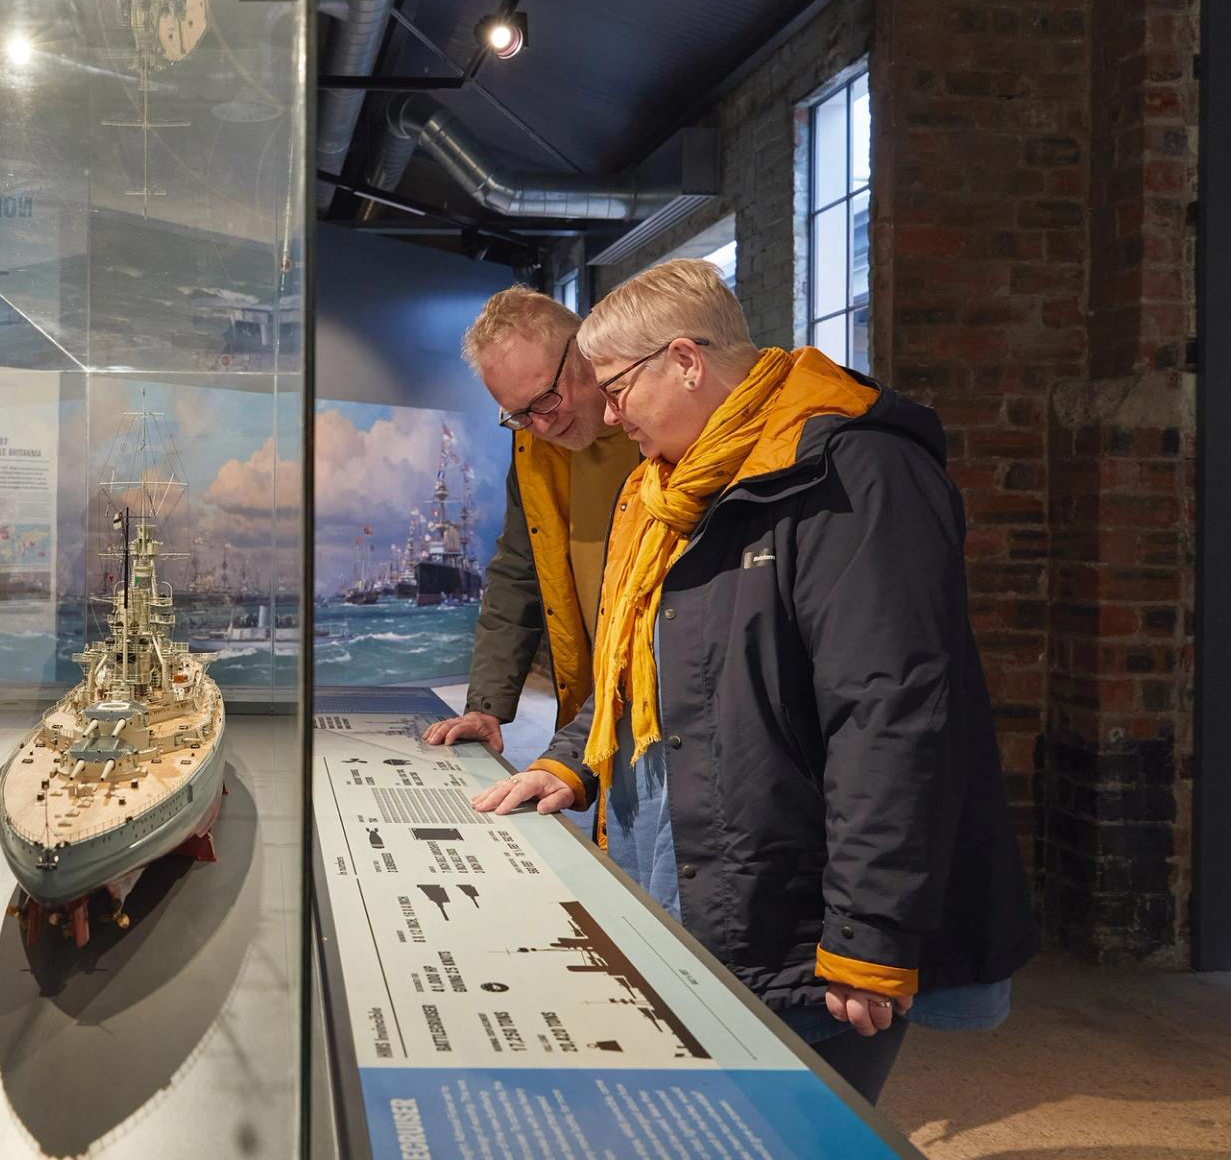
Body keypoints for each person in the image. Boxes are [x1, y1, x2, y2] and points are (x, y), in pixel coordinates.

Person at [460, 259, 1038, 1103]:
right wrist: (572, 757)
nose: (610, 415)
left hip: (791, 890)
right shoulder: (666, 489)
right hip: (691, 853)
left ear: (685, 362)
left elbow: (889, 714)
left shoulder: (853, 472)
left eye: (615, 388)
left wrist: (869, 926)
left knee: (793, 1121)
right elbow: (647, 661)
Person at [421, 287, 636, 774]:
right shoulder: (534, 450)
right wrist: (486, 705)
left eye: (544, 400)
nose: (541, 425)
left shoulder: (661, 429)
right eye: (519, 414)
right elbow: (518, 572)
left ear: (583, 347)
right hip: (594, 709)